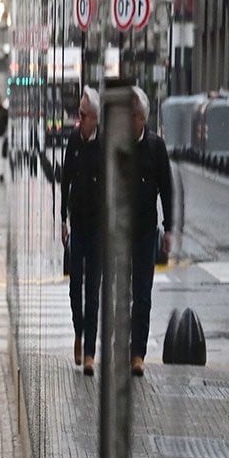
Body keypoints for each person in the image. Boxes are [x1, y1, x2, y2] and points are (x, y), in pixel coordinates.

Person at [75, 86, 173, 376]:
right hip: (116, 230)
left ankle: (137, 353)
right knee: (117, 290)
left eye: (132, 116)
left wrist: (169, 228)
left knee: (142, 293)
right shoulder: (111, 145)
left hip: (144, 230)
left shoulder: (156, 147)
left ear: (142, 118)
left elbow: (166, 189)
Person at [60, 87, 102, 372]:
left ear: (94, 118)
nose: (79, 119)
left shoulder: (105, 143)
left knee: (93, 289)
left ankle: (89, 350)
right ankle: (78, 331)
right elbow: (65, 179)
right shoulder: (74, 140)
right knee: (76, 285)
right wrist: (62, 218)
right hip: (77, 223)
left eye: (83, 115)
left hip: (98, 226)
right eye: (79, 113)